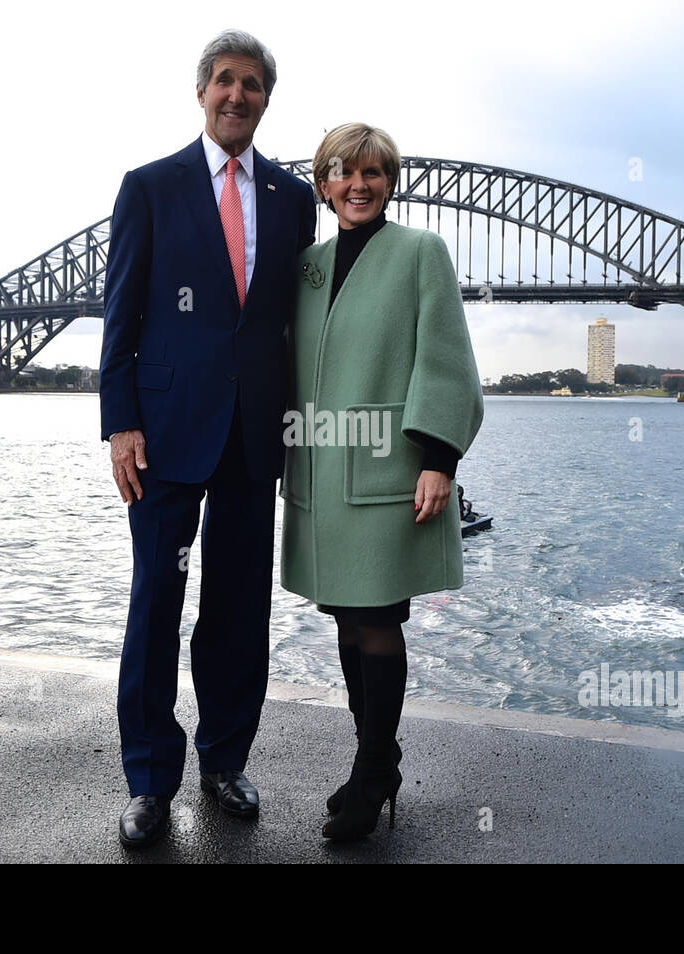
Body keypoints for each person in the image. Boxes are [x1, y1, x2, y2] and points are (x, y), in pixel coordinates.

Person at [100, 29, 317, 849]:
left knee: (236, 606)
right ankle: (150, 779)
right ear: (202, 93)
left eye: (253, 84)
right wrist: (120, 421)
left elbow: (299, 326)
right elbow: (121, 317)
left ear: (266, 99)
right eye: (224, 81)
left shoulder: (295, 200)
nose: (237, 95)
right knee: (156, 599)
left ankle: (226, 760)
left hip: (255, 435)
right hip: (160, 434)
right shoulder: (150, 188)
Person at [280, 124, 484, 841]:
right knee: (343, 613)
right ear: (323, 184)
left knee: (377, 618)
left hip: (391, 469)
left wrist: (438, 458)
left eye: (373, 173)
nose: (358, 185)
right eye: (343, 173)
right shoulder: (308, 263)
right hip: (319, 470)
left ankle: (371, 775)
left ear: (389, 182)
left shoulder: (420, 252)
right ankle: (378, 759)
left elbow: (447, 360)